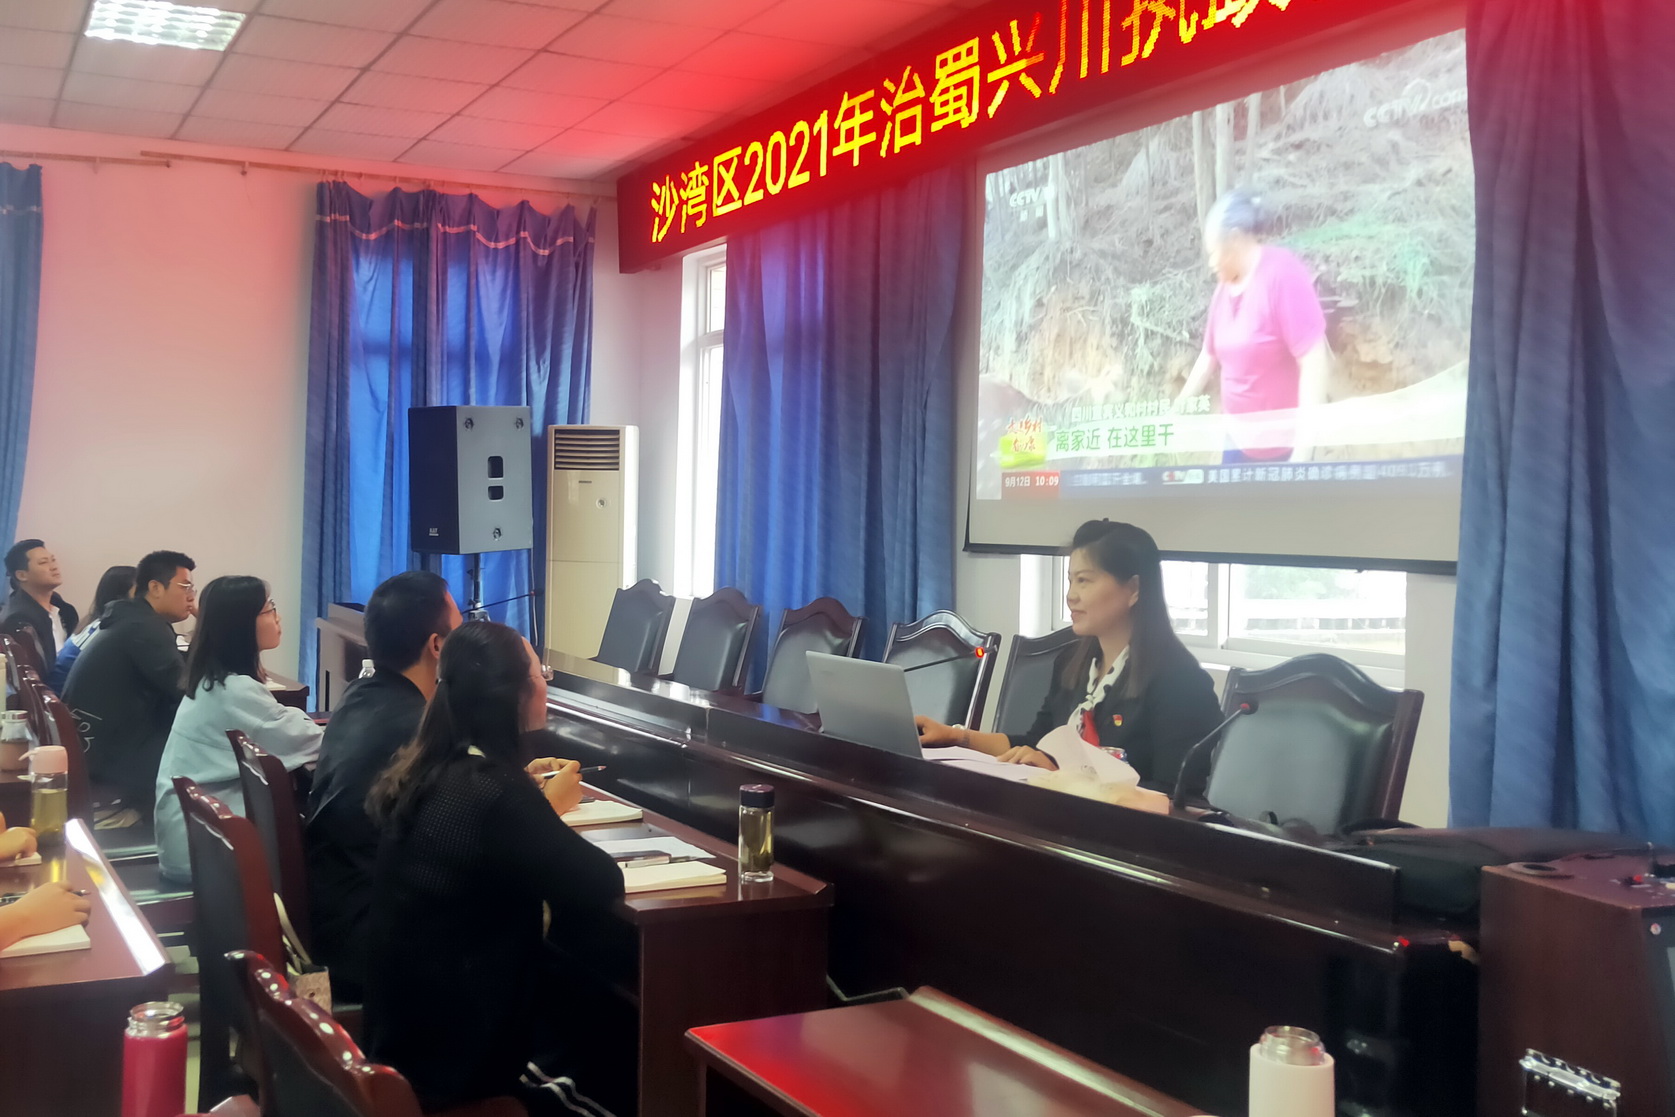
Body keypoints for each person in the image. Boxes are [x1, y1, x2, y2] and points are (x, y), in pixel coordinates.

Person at [364, 621, 623, 1114]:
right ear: (516, 695)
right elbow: (600, 881)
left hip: (405, 1048)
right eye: (540, 674)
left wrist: (530, 800)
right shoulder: (495, 793)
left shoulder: (430, 768)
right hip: (457, 1077)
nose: (545, 684)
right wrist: (540, 806)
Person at [917, 520, 1223, 797]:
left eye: (1084, 581)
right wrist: (955, 737)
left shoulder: (1180, 681)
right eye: (1070, 580)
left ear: (1133, 589)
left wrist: (1066, 778)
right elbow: (1036, 743)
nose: (1071, 595)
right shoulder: (1072, 664)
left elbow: (1176, 797)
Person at [305, 570, 462, 997]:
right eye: (460, 632)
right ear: (437, 646)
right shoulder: (419, 728)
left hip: (334, 911)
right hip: (371, 937)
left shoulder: (359, 695)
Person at [152, 576, 323, 883]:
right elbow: (312, 742)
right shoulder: (235, 691)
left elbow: (282, 726)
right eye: (269, 609)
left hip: (195, 832)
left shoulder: (212, 679)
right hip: (206, 846)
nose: (277, 617)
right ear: (241, 625)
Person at [1172, 188, 1332, 463]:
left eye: (1213, 253)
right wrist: (1178, 410)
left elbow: (1314, 362)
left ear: (1235, 240)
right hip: (1236, 442)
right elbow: (1208, 355)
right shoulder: (1224, 288)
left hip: (1282, 452)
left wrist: (1301, 458)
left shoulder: (1282, 274)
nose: (1210, 263)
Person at [62, 551, 196, 817]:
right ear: (155, 588)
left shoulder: (133, 620)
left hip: (96, 747)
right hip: (112, 759)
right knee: (211, 748)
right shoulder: (144, 628)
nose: (191, 596)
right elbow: (187, 693)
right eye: (185, 586)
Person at [47, 565, 136, 692]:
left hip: (62, 696)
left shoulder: (96, 622)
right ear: (120, 597)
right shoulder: (107, 629)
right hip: (63, 699)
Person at [2, 540, 78, 662]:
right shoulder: (18, 620)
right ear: (21, 575)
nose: (54, 567)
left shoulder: (62, 608)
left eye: (53, 560)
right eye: (43, 563)